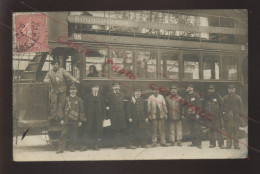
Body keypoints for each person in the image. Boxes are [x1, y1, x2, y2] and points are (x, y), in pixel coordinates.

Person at [56, 84, 85, 153]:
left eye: (74, 90)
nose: (73, 91)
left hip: (75, 120)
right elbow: (61, 109)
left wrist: (80, 120)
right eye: (71, 90)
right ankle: (61, 149)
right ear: (69, 91)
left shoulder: (79, 100)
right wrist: (61, 119)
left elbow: (82, 111)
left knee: (73, 135)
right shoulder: (66, 99)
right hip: (66, 120)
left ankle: (71, 147)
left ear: (76, 91)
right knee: (63, 134)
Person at [106, 82, 136, 149]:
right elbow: (105, 102)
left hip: (121, 114)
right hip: (113, 114)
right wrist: (107, 107)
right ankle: (115, 145)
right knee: (114, 129)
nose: (117, 88)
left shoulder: (122, 94)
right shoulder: (109, 95)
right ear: (113, 87)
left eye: (118, 86)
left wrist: (132, 97)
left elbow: (128, 96)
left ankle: (128, 145)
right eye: (115, 86)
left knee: (125, 129)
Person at [82, 83, 106, 151]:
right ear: (92, 88)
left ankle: (95, 145)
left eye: (96, 87)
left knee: (96, 131)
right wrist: (84, 116)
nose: (95, 88)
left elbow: (103, 107)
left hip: (98, 117)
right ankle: (85, 145)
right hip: (89, 117)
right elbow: (84, 107)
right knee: (87, 130)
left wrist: (104, 117)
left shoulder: (101, 97)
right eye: (94, 87)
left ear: (98, 88)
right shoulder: (87, 97)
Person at [202, 84, 224, 149]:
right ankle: (212, 144)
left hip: (217, 116)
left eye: (212, 89)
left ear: (214, 90)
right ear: (208, 90)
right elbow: (203, 106)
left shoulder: (218, 97)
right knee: (211, 130)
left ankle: (221, 144)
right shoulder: (205, 97)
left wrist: (220, 114)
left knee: (218, 130)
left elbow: (221, 106)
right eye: (210, 89)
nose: (211, 90)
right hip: (209, 116)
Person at [222, 84, 243, 149]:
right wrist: (224, 115)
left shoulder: (238, 97)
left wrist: (240, 116)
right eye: (230, 89)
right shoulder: (225, 97)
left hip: (235, 117)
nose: (231, 90)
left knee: (236, 131)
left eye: (232, 89)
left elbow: (241, 107)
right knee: (228, 130)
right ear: (228, 90)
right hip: (227, 117)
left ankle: (236, 145)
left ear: (235, 90)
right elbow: (222, 107)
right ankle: (228, 145)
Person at [183, 84, 202, 149]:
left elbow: (199, 106)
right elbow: (185, 106)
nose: (190, 89)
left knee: (197, 129)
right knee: (191, 129)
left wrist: (197, 114)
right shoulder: (186, 96)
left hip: (195, 115)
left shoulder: (196, 95)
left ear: (193, 88)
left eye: (191, 87)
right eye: (188, 88)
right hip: (189, 115)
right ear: (187, 89)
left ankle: (199, 144)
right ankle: (193, 142)